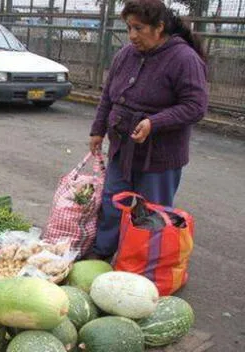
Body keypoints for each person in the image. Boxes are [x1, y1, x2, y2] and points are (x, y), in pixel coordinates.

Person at [87, 0, 208, 259]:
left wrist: (155, 122)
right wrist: (97, 130)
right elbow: (108, 96)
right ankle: (102, 251)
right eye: (129, 28)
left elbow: (196, 106)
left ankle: (145, 262)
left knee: (151, 212)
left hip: (161, 155)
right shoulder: (125, 55)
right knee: (111, 202)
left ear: (159, 27)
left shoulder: (184, 58)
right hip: (122, 148)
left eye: (138, 28)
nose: (131, 35)